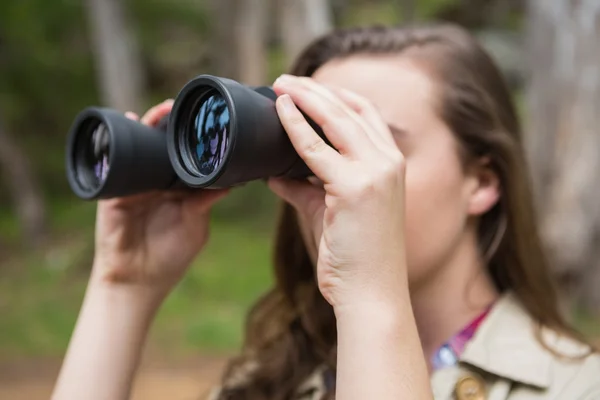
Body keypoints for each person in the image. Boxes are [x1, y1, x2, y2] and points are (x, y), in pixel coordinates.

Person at [51, 24, 600, 400]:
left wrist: (370, 293)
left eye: (374, 144)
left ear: (481, 182)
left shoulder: (578, 386)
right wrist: (123, 287)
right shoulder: (269, 380)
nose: (334, 175)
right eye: (308, 147)